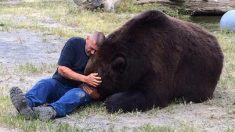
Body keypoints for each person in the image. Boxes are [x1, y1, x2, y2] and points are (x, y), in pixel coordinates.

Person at [10, 31, 105, 121]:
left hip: (78, 89)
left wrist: (95, 95)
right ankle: (25, 104)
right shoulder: (74, 43)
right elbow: (62, 70)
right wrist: (85, 79)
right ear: (87, 38)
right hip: (59, 83)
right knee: (45, 84)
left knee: (78, 94)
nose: (92, 52)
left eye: (95, 51)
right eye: (91, 48)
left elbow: (102, 90)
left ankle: (50, 111)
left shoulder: (101, 59)